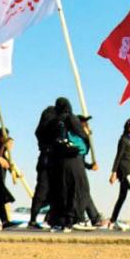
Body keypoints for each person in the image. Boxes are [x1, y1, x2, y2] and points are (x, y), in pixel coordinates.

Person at [46, 97, 90, 232]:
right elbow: (82, 136)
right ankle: (74, 220)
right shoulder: (72, 118)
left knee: (61, 190)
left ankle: (59, 221)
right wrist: (87, 134)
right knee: (77, 189)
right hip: (73, 159)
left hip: (58, 162)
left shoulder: (53, 122)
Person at [28, 104, 58, 230]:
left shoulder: (41, 130)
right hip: (49, 160)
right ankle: (35, 219)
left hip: (45, 159)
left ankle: (38, 218)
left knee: (45, 190)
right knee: (44, 190)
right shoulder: (51, 128)